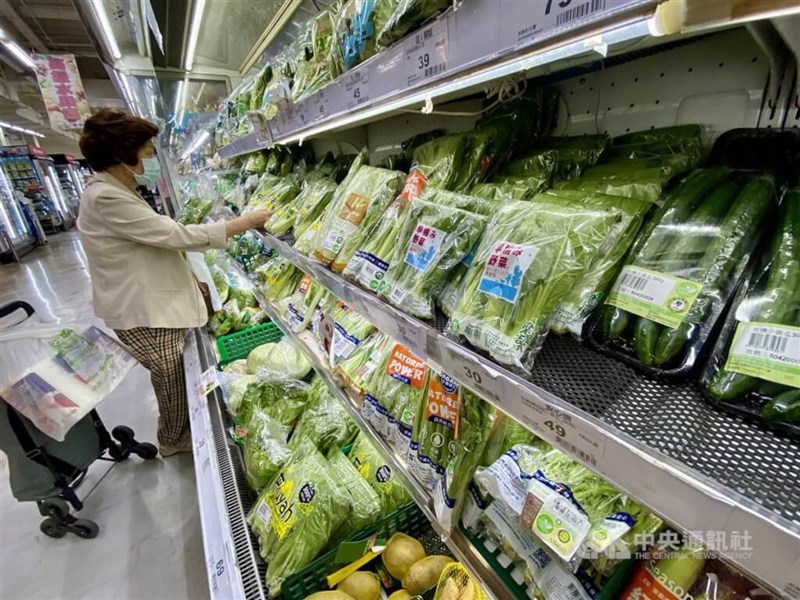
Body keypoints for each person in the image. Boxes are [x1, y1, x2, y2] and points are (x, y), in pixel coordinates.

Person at [77, 109, 268, 457]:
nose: (152, 159)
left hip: (148, 302)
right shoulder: (105, 197)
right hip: (142, 310)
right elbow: (172, 235)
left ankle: (177, 433)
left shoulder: (118, 190)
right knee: (171, 378)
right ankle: (174, 441)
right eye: (148, 152)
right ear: (124, 155)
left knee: (172, 375)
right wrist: (243, 222)